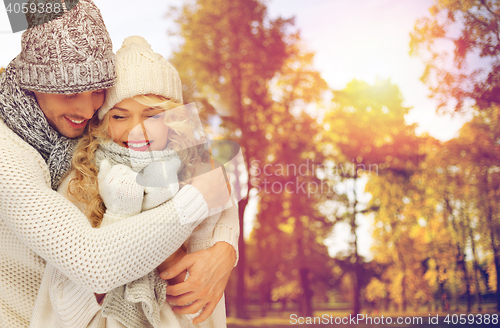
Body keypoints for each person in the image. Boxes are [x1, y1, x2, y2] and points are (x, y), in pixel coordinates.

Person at [0, 1, 238, 327]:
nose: (86, 110)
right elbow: (93, 263)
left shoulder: (95, 136)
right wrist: (198, 199)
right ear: (33, 84)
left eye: (98, 90)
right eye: (70, 93)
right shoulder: (9, 157)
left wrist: (224, 248)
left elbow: (205, 163)